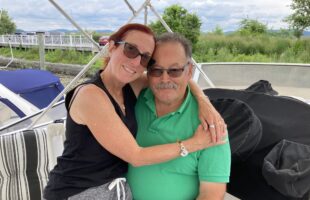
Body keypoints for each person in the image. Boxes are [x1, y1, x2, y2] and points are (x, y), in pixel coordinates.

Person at [43, 24, 226, 200]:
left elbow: (172, 76)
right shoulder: (91, 95)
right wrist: (194, 144)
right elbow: (136, 157)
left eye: (145, 57)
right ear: (112, 47)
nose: (136, 61)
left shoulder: (132, 86)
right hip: (78, 191)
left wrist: (204, 102)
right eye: (130, 49)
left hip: (115, 191)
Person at [127, 32, 231, 200]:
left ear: (189, 71)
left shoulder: (209, 124)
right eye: (156, 70)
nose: (165, 78)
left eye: (174, 71)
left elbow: (212, 194)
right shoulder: (135, 100)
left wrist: (202, 100)